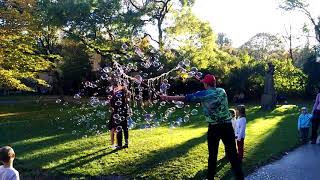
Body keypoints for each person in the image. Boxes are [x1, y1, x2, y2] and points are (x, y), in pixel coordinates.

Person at [160, 74, 244, 180]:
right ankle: (240, 178)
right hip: (227, 126)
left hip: (214, 128)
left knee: (213, 155)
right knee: (233, 155)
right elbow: (211, 90)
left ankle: (210, 178)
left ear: (205, 84)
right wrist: (205, 82)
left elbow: (186, 98)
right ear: (214, 83)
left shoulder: (203, 94)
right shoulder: (222, 91)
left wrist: (167, 97)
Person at [109, 81, 130, 149]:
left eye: (117, 85)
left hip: (118, 112)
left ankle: (119, 145)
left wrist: (113, 94)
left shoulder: (117, 93)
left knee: (119, 128)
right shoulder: (126, 92)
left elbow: (112, 104)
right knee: (125, 128)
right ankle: (126, 143)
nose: (115, 87)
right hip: (125, 112)